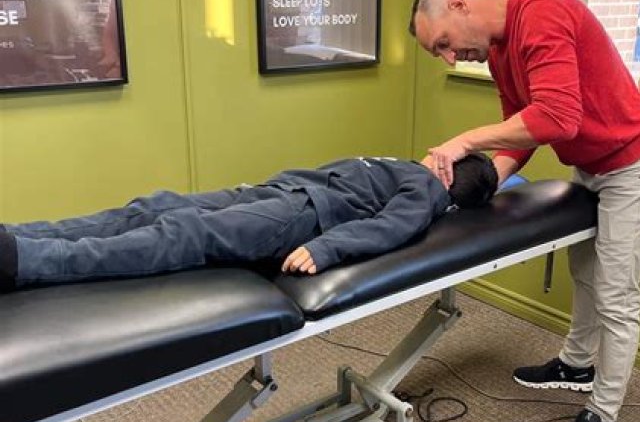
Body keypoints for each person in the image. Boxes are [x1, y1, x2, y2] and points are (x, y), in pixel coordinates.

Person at [409, 0, 640, 422]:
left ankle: (602, 415)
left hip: (639, 166)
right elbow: (522, 134)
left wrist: (465, 141)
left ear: (459, 4)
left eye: (444, 43)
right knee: (585, 272)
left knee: (616, 294)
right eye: (440, 54)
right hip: (594, 168)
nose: (450, 58)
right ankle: (576, 366)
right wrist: (483, 184)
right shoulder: (499, 54)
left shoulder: (542, 12)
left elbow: (558, 117)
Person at [0, 153, 498, 291]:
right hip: (278, 193)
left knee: (182, 234)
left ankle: (27, 260)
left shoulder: (429, 191)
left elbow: (391, 229)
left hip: (299, 216)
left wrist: (326, 248)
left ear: (450, 174)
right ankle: (19, 237)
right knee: (154, 208)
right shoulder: (409, 169)